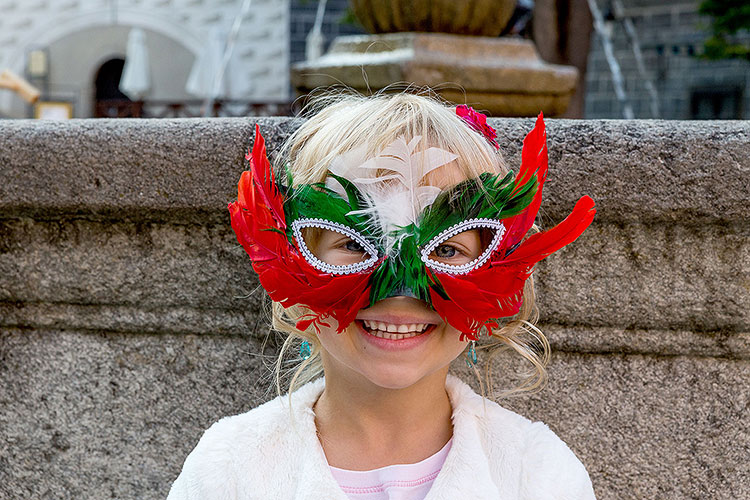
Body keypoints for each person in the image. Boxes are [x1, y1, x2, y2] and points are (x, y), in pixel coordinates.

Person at [167, 92, 597, 500]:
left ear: (503, 265)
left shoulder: (537, 474)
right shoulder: (229, 470)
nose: (400, 291)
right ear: (289, 258)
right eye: (354, 243)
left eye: (446, 249)